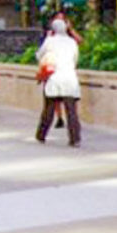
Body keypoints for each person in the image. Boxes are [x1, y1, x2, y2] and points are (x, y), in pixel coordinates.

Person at [35, 18, 81, 148]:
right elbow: (75, 59)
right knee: (71, 111)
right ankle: (75, 138)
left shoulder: (50, 41)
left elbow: (39, 55)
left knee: (48, 109)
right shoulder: (72, 42)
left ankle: (41, 135)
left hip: (54, 78)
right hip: (70, 78)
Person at [45, 12, 82, 129]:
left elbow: (79, 41)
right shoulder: (50, 37)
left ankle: (44, 131)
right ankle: (60, 118)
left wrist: (71, 29)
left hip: (61, 73)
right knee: (57, 100)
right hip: (59, 72)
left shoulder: (69, 38)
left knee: (65, 101)